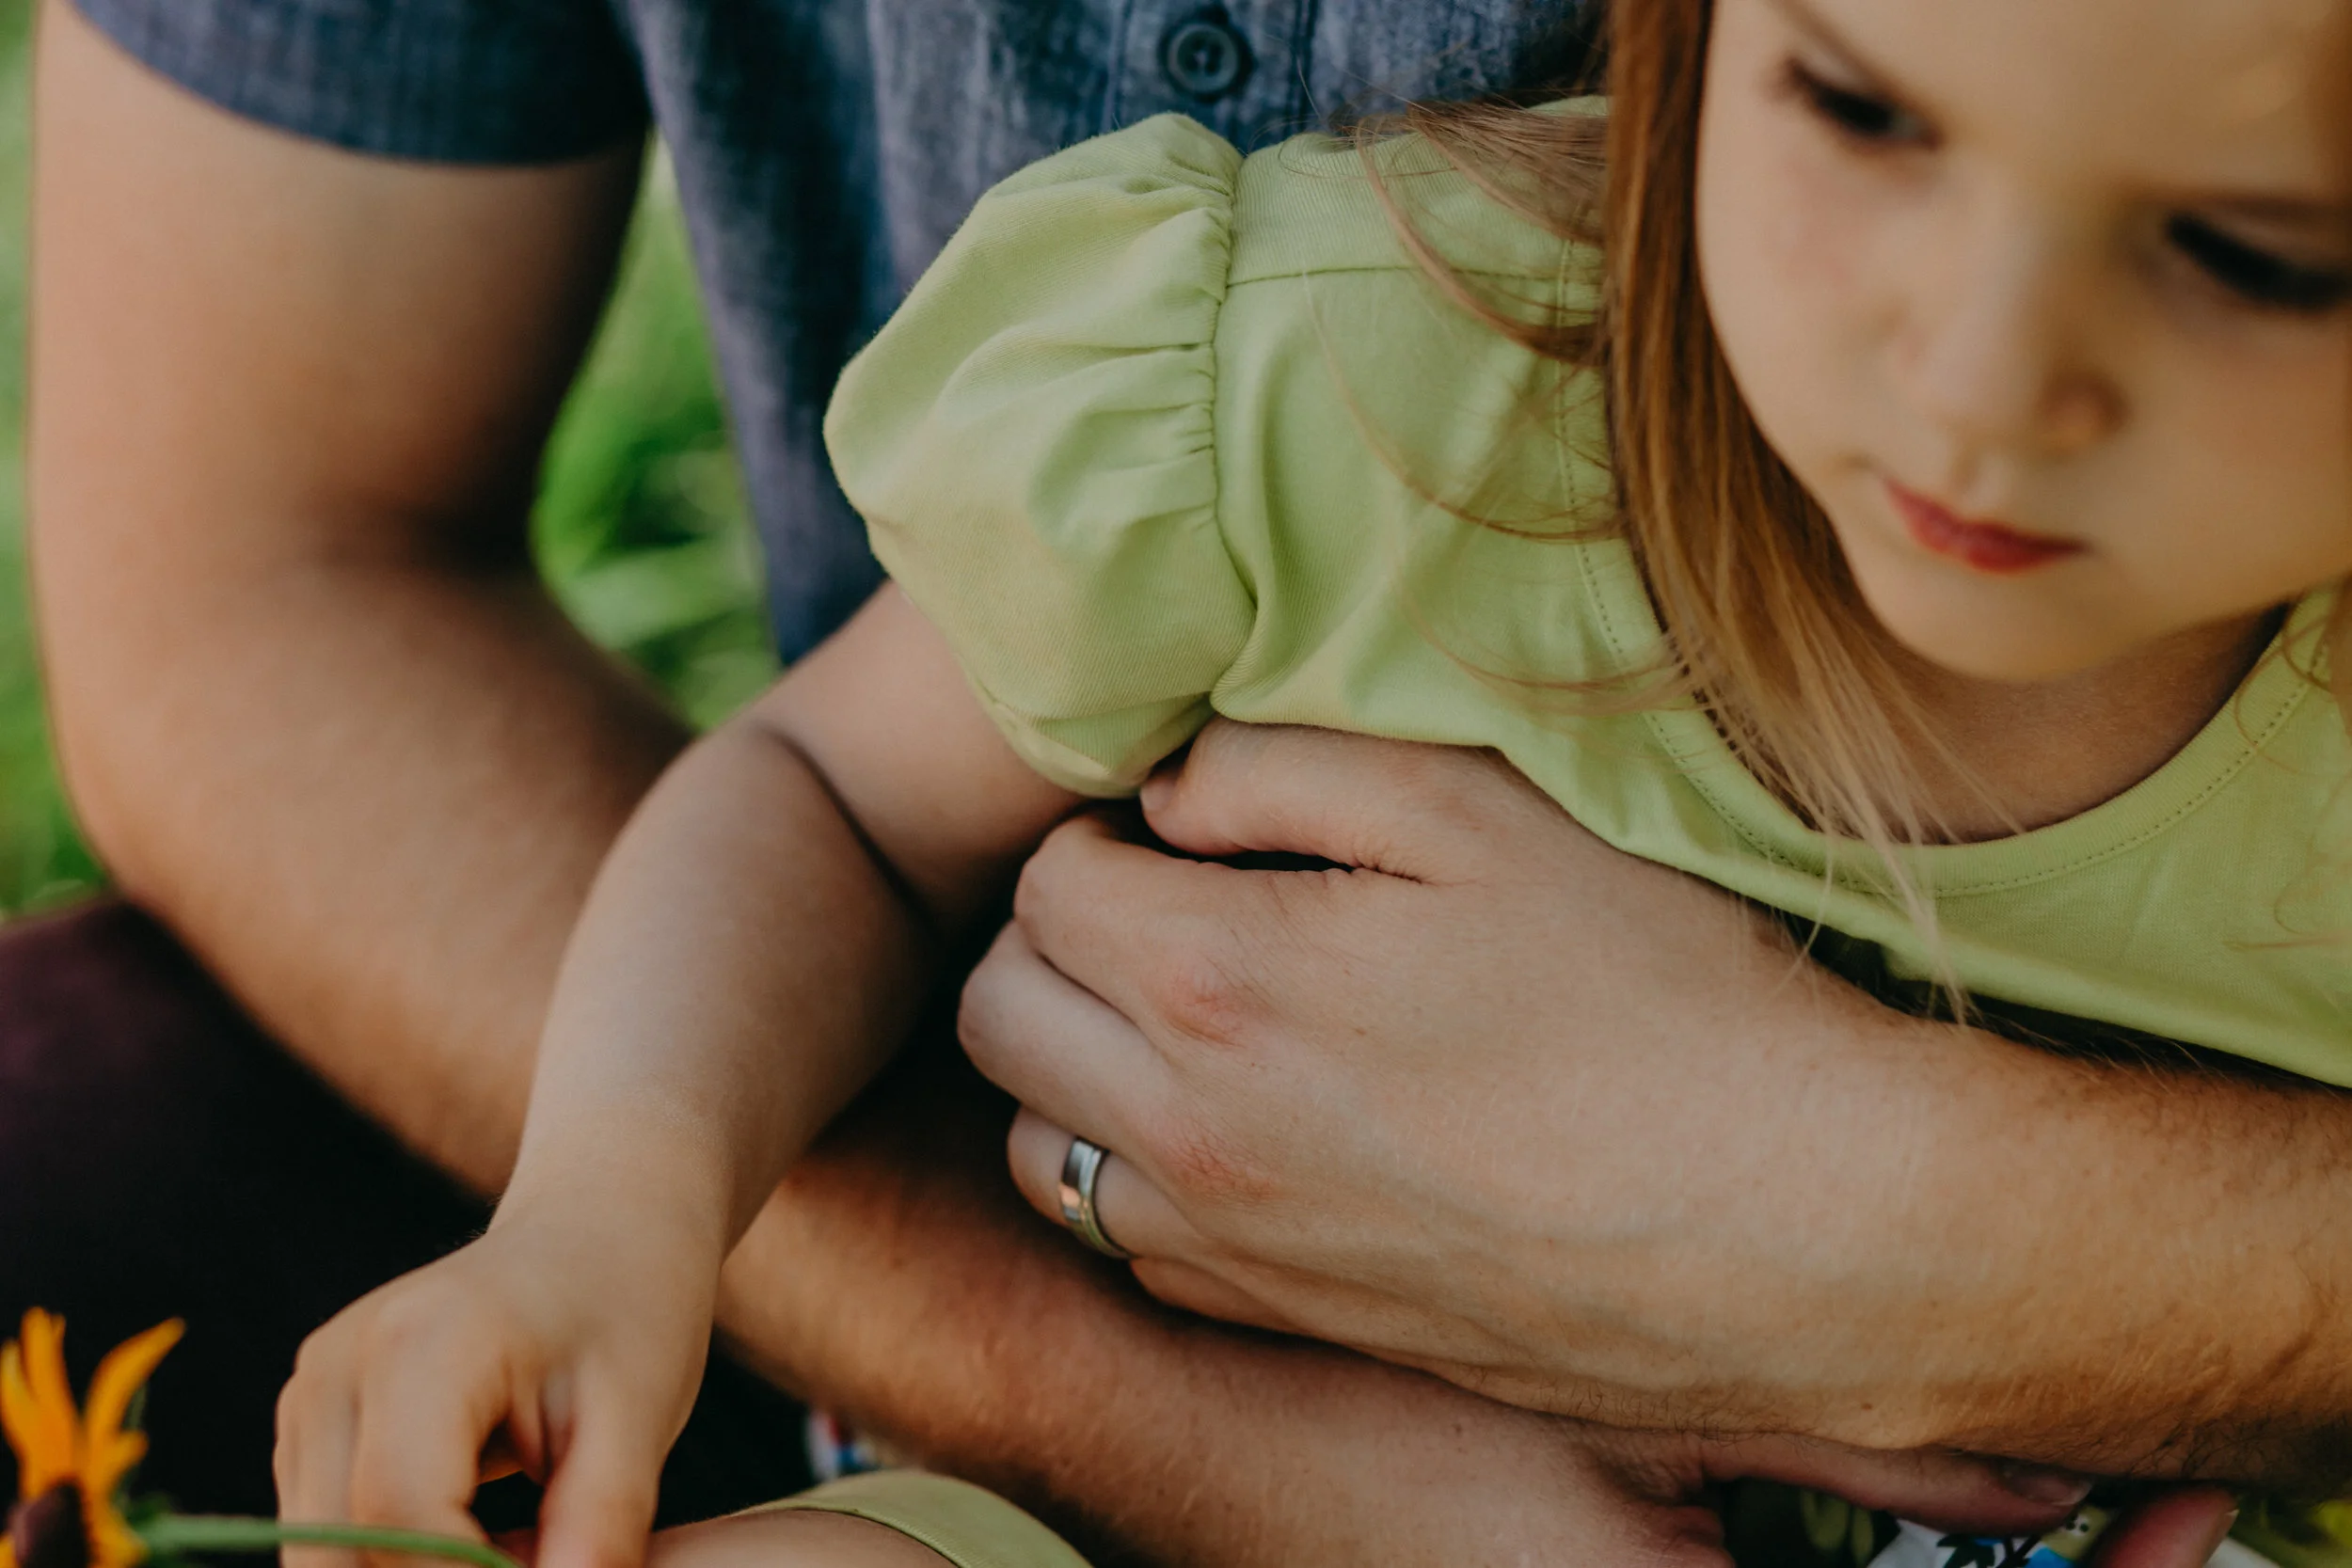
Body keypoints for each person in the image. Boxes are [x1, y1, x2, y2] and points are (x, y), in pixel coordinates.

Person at [24, 0, 2137, 1560]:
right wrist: (609, 1212)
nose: (1980, 380)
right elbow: (280, 586)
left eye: (2246, 253)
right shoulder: (1369, 369)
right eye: (1860, 115)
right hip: (1022, 1415)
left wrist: (1964, 1248)